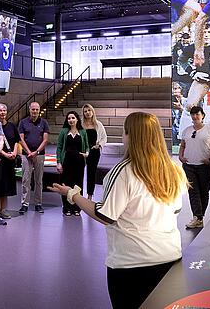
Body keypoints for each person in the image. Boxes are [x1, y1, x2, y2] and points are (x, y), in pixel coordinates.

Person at [48, 112, 187, 309]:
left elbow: (105, 215)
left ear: (130, 135)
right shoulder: (174, 169)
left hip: (132, 266)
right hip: (170, 258)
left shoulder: (123, 171)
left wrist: (72, 195)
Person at [179, 106, 210, 229]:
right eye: (193, 114)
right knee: (193, 191)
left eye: (197, 114)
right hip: (189, 166)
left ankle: (200, 217)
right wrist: (181, 156)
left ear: (202, 115)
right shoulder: (187, 130)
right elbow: (182, 145)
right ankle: (197, 217)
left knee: (204, 191)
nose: (195, 117)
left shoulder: (209, 130)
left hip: (204, 166)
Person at [18, 102, 49, 214]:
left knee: (39, 180)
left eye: (37, 109)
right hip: (26, 155)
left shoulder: (44, 123)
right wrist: (29, 152)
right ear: (29, 109)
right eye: (33, 109)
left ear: (39, 110)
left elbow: (45, 140)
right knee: (25, 180)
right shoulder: (23, 122)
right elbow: (21, 139)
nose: (35, 111)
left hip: (39, 155)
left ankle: (38, 204)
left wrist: (36, 152)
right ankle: (25, 204)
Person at [56, 111, 89, 216]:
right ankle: (66, 208)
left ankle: (77, 208)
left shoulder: (82, 132)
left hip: (79, 162)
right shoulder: (64, 131)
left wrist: (87, 153)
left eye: (73, 118)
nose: (71, 120)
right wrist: (59, 162)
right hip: (67, 161)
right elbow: (59, 147)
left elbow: (87, 146)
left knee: (78, 184)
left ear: (77, 119)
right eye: (69, 118)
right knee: (66, 184)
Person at [0, 103, 19, 219]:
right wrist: (4, 154)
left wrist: (14, 153)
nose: (2, 112)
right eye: (0, 111)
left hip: (10, 161)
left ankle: (3, 209)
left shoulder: (12, 126)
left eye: (4, 110)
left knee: (6, 185)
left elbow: (16, 141)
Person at [82, 104, 107, 201]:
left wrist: (99, 145)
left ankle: (89, 195)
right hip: (83, 152)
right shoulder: (81, 124)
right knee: (79, 173)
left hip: (94, 152)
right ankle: (78, 194)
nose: (87, 112)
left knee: (91, 173)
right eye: (85, 111)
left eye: (89, 110)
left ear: (92, 112)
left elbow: (104, 137)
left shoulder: (98, 124)